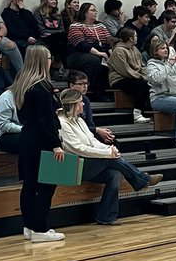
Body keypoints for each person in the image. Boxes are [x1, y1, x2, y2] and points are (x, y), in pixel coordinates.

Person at [57, 89, 161, 225]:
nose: (83, 104)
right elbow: (77, 148)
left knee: (115, 174)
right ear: (72, 104)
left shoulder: (79, 120)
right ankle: (142, 179)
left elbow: (92, 141)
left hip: (87, 163)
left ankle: (106, 216)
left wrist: (109, 149)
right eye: (80, 102)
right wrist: (107, 154)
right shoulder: (62, 123)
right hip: (72, 166)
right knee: (111, 159)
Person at [13, 44, 65, 242]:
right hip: (41, 141)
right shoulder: (42, 87)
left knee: (29, 185)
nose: (51, 60)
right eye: (49, 57)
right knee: (46, 186)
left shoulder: (22, 84)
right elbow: (47, 120)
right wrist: (56, 145)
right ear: (43, 61)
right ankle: (40, 229)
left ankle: (28, 226)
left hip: (26, 138)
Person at [66, 3, 113, 94]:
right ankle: (90, 90)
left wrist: (112, 54)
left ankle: (103, 92)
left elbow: (109, 42)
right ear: (85, 13)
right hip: (79, 54)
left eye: (96, 10)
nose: (96, 12)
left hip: (101, 52)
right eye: (92, 10)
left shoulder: (100, 25)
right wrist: (99, 53)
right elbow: (81, 44)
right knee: (94, 60)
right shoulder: (75, 25)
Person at [107, 27, 151, 121]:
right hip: (119, 78)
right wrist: (141, 77)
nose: (137, 38)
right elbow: (124, 70)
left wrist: (147, 76)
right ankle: (137, 114)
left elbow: (142, 66)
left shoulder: (135, 49)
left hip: (135, 76)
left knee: (150, 83)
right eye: (135, 36)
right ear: (131, 38)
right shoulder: (118, 50)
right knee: (142, 85)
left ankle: (147, 111)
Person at [0, 87, 23, 154]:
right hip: (5, 135)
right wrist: (26, 129)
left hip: (29, 132)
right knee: (32, 142)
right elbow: (4, 125)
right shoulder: (5, 98)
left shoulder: (39, 95)